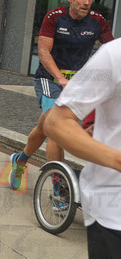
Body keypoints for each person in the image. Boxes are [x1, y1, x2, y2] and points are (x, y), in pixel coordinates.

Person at [9, 0, 113, 190]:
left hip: (77, 83)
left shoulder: (97, 21)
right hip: (49, 79)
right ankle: (58, 190)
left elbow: (112, 51)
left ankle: (20, 160)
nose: (86, 2)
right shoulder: (54, 17)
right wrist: (60, 78)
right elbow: (43, 52)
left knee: (43, 128)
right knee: (57, 129)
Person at [44, 38, 121, 257]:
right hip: (113, 214)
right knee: (41, 127)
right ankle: (27, 163)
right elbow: (56, 123)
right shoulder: (114, 55)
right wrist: (117, 160)